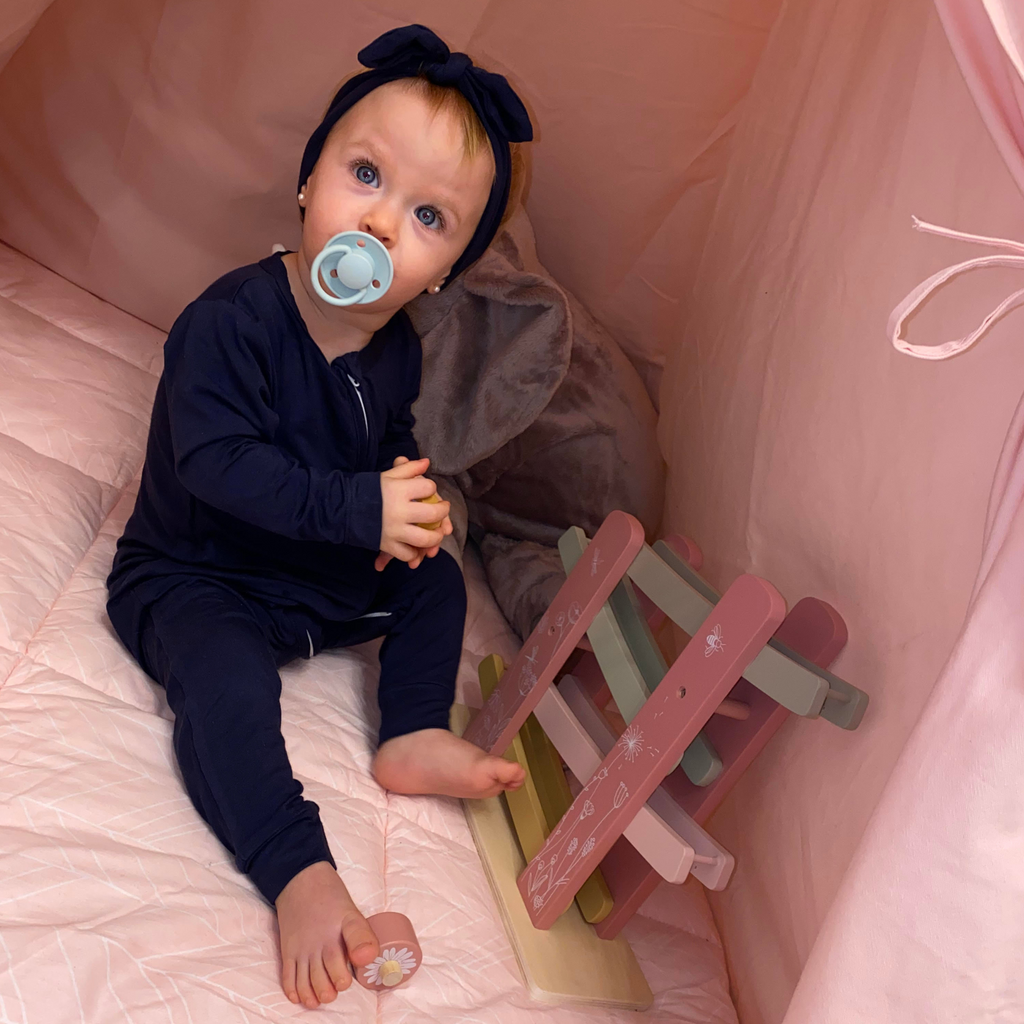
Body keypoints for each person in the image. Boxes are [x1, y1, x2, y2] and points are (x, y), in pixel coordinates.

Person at [105, 24, 532, 1009]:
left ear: (446, 270)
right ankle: (297, 870)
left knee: (434, 572)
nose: (381, 226)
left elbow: (365, 457)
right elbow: (214, 465)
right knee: (223, 681)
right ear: (309, 182)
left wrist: (401, 506)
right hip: (196, 567)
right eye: (365, 174)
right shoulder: (229, 321)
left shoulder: (396, 350)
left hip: (310, 568)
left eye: (427, 215)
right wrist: (355, 505)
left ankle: (412, 730)